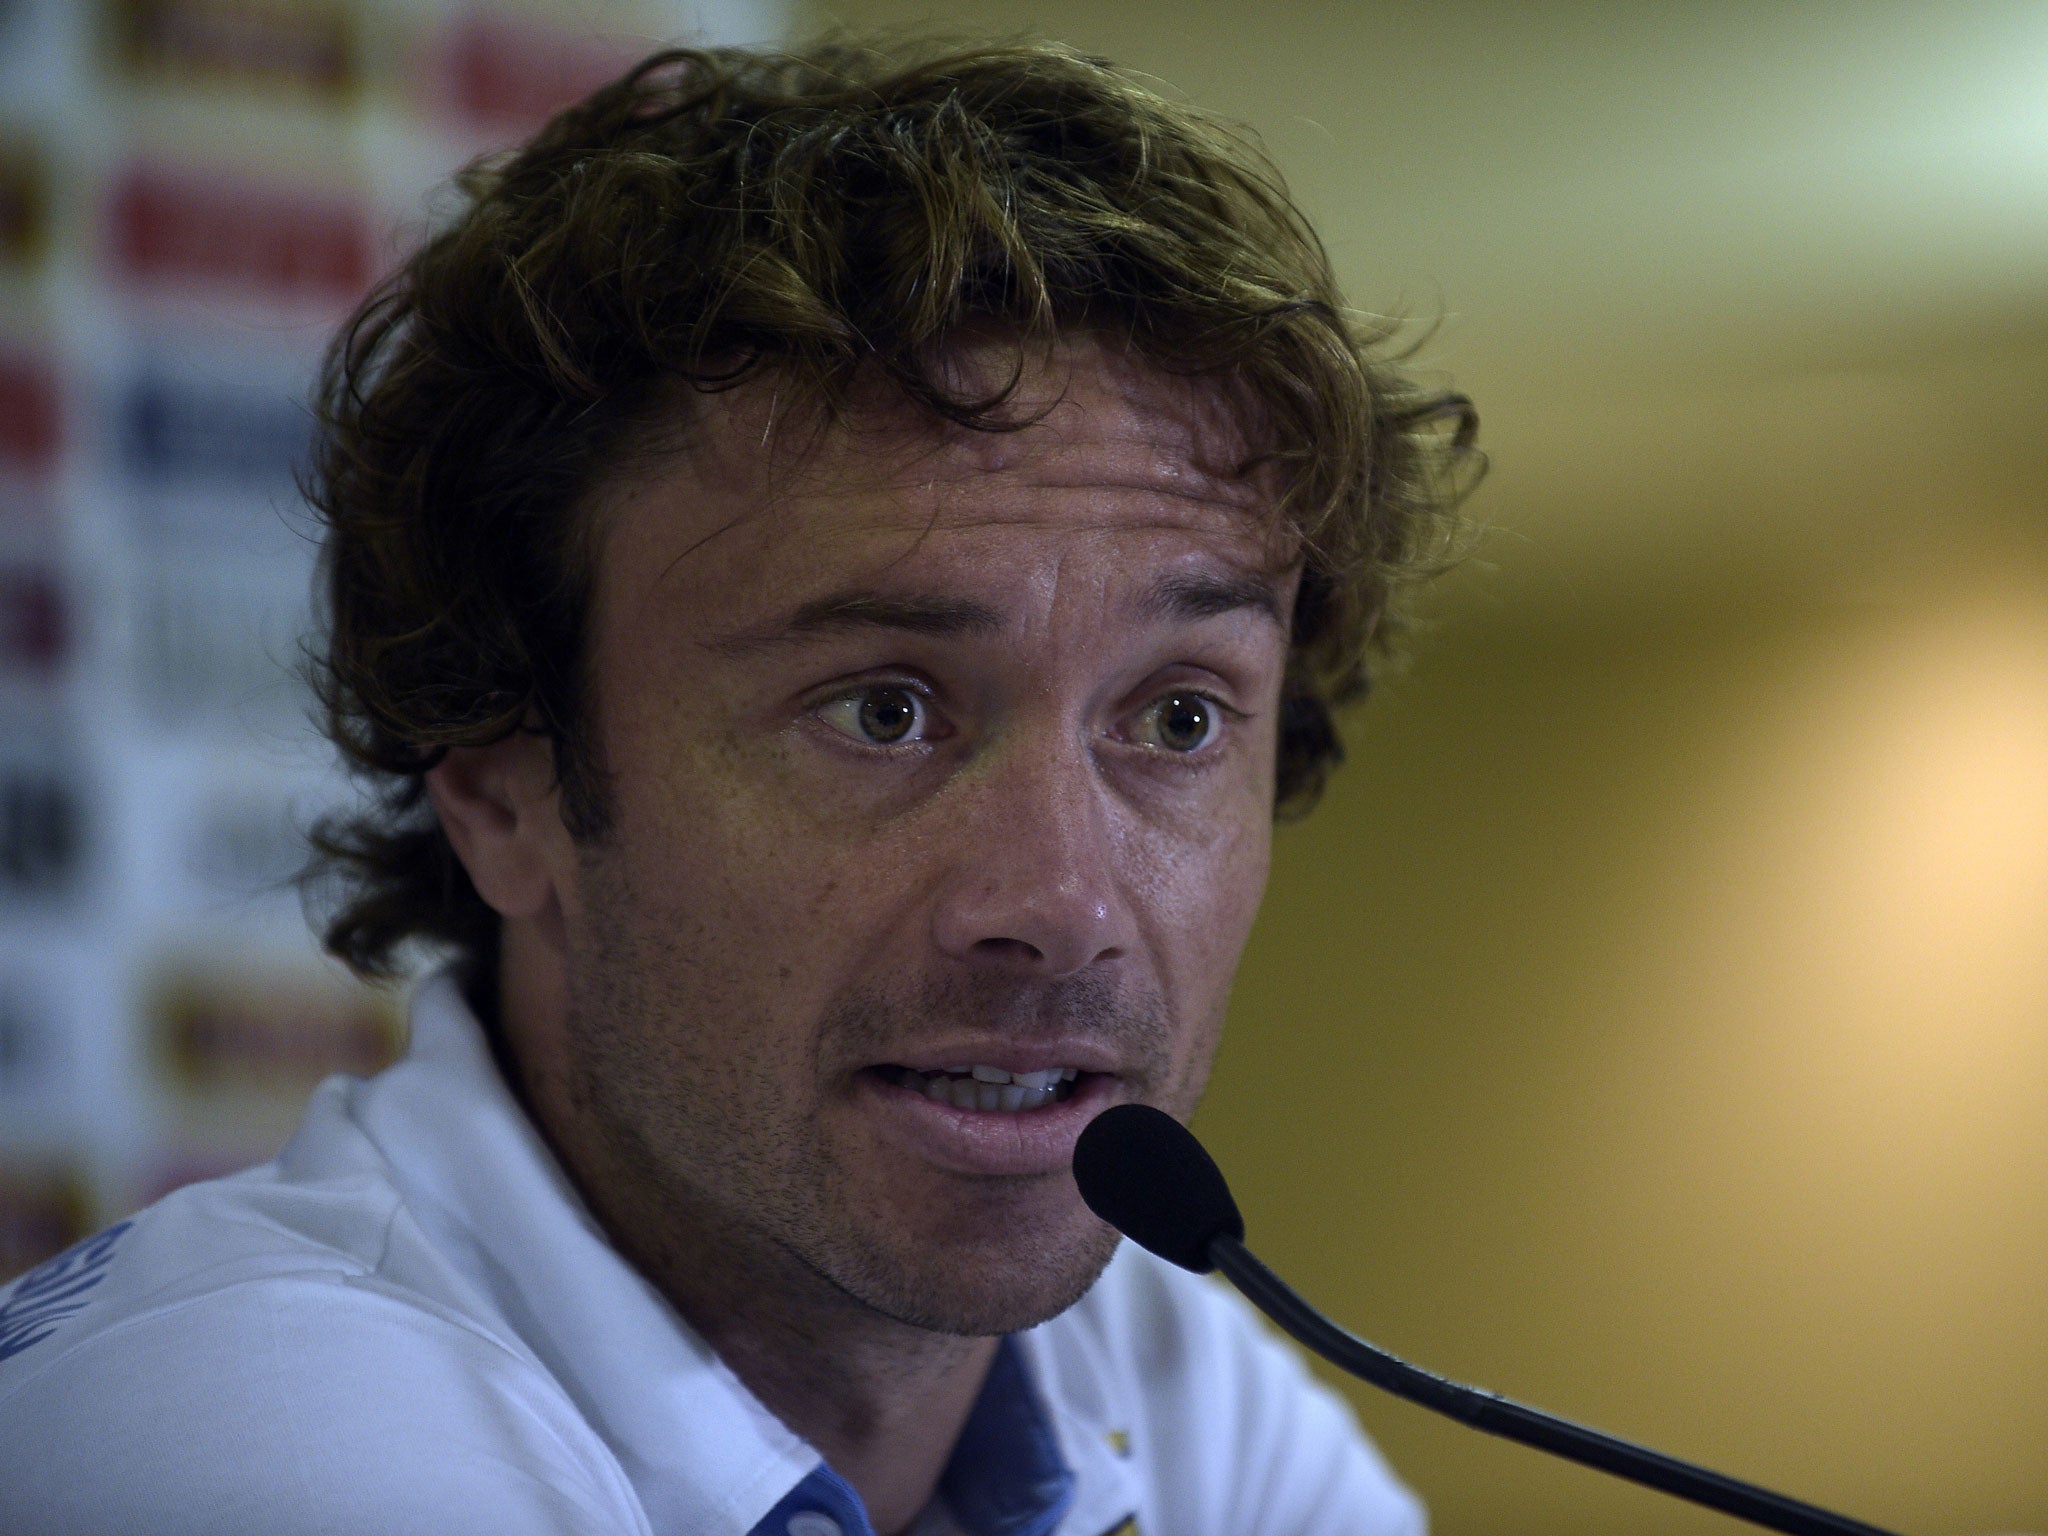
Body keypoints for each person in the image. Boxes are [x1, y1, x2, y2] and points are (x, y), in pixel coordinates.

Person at [0, 38, 1475, 1536]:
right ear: (506, 793)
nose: (1065, 907)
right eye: (884, 711)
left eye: (1174, 719)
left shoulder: (1163, 1383)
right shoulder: (248, 1430)